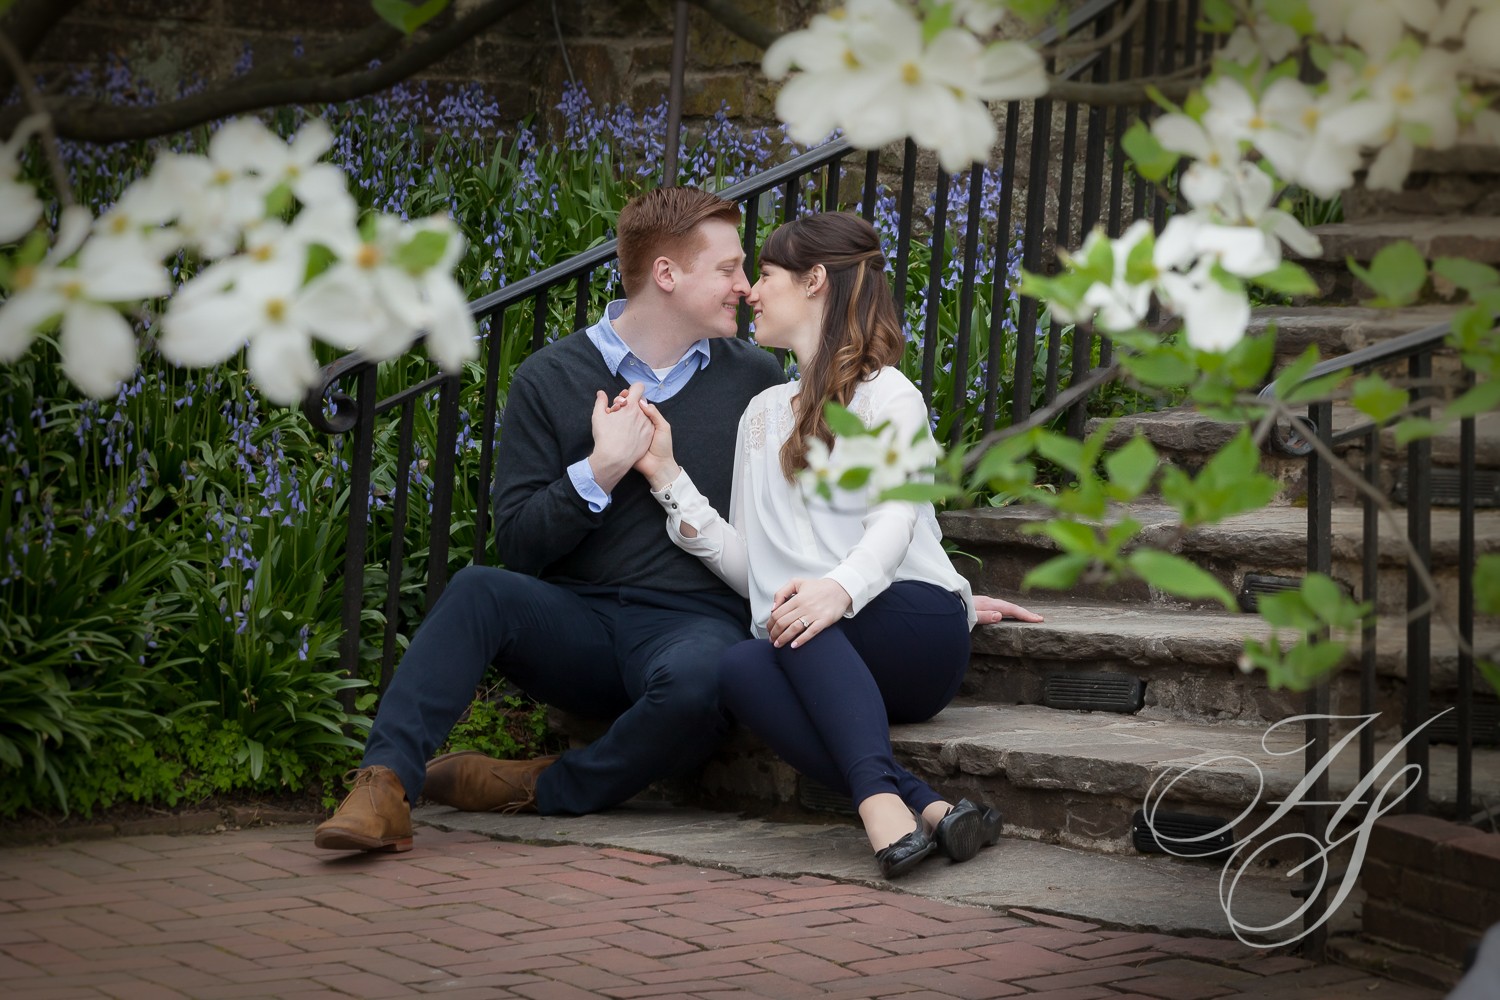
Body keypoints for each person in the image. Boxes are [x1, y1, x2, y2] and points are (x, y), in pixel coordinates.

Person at [314, 186, 786, 851]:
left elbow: (793, 513)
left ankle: (542, 785)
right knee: (479, 589)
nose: (746, 285)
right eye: (729, 268)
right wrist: (599, 471)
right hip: (579, 623)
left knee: (707, 681)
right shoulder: (550, 377)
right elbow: (521, 544)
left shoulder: (756, 380)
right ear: (667, 275)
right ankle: (383, 785)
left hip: (692, 628)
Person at [629, 212, 1042, 879]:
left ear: (816, 280)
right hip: (819, 642)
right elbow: (755, 569)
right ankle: (928, 807)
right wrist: (667, 478)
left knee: (794, 619)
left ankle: (880, 805)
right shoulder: (761, 415)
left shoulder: (889, 396)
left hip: (911, 630)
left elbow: (897, 520)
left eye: (763, 275)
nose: (750, 292)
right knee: (742, 662)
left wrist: (841, 588)